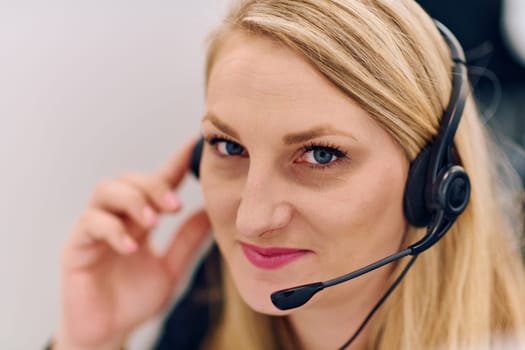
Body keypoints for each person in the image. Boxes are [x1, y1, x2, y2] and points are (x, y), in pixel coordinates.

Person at [51, 0, 525, 349]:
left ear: (433, 184)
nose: (252, 221)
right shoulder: (208, 305)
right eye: (229, 146)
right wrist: (91, 340)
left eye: (319, 155)